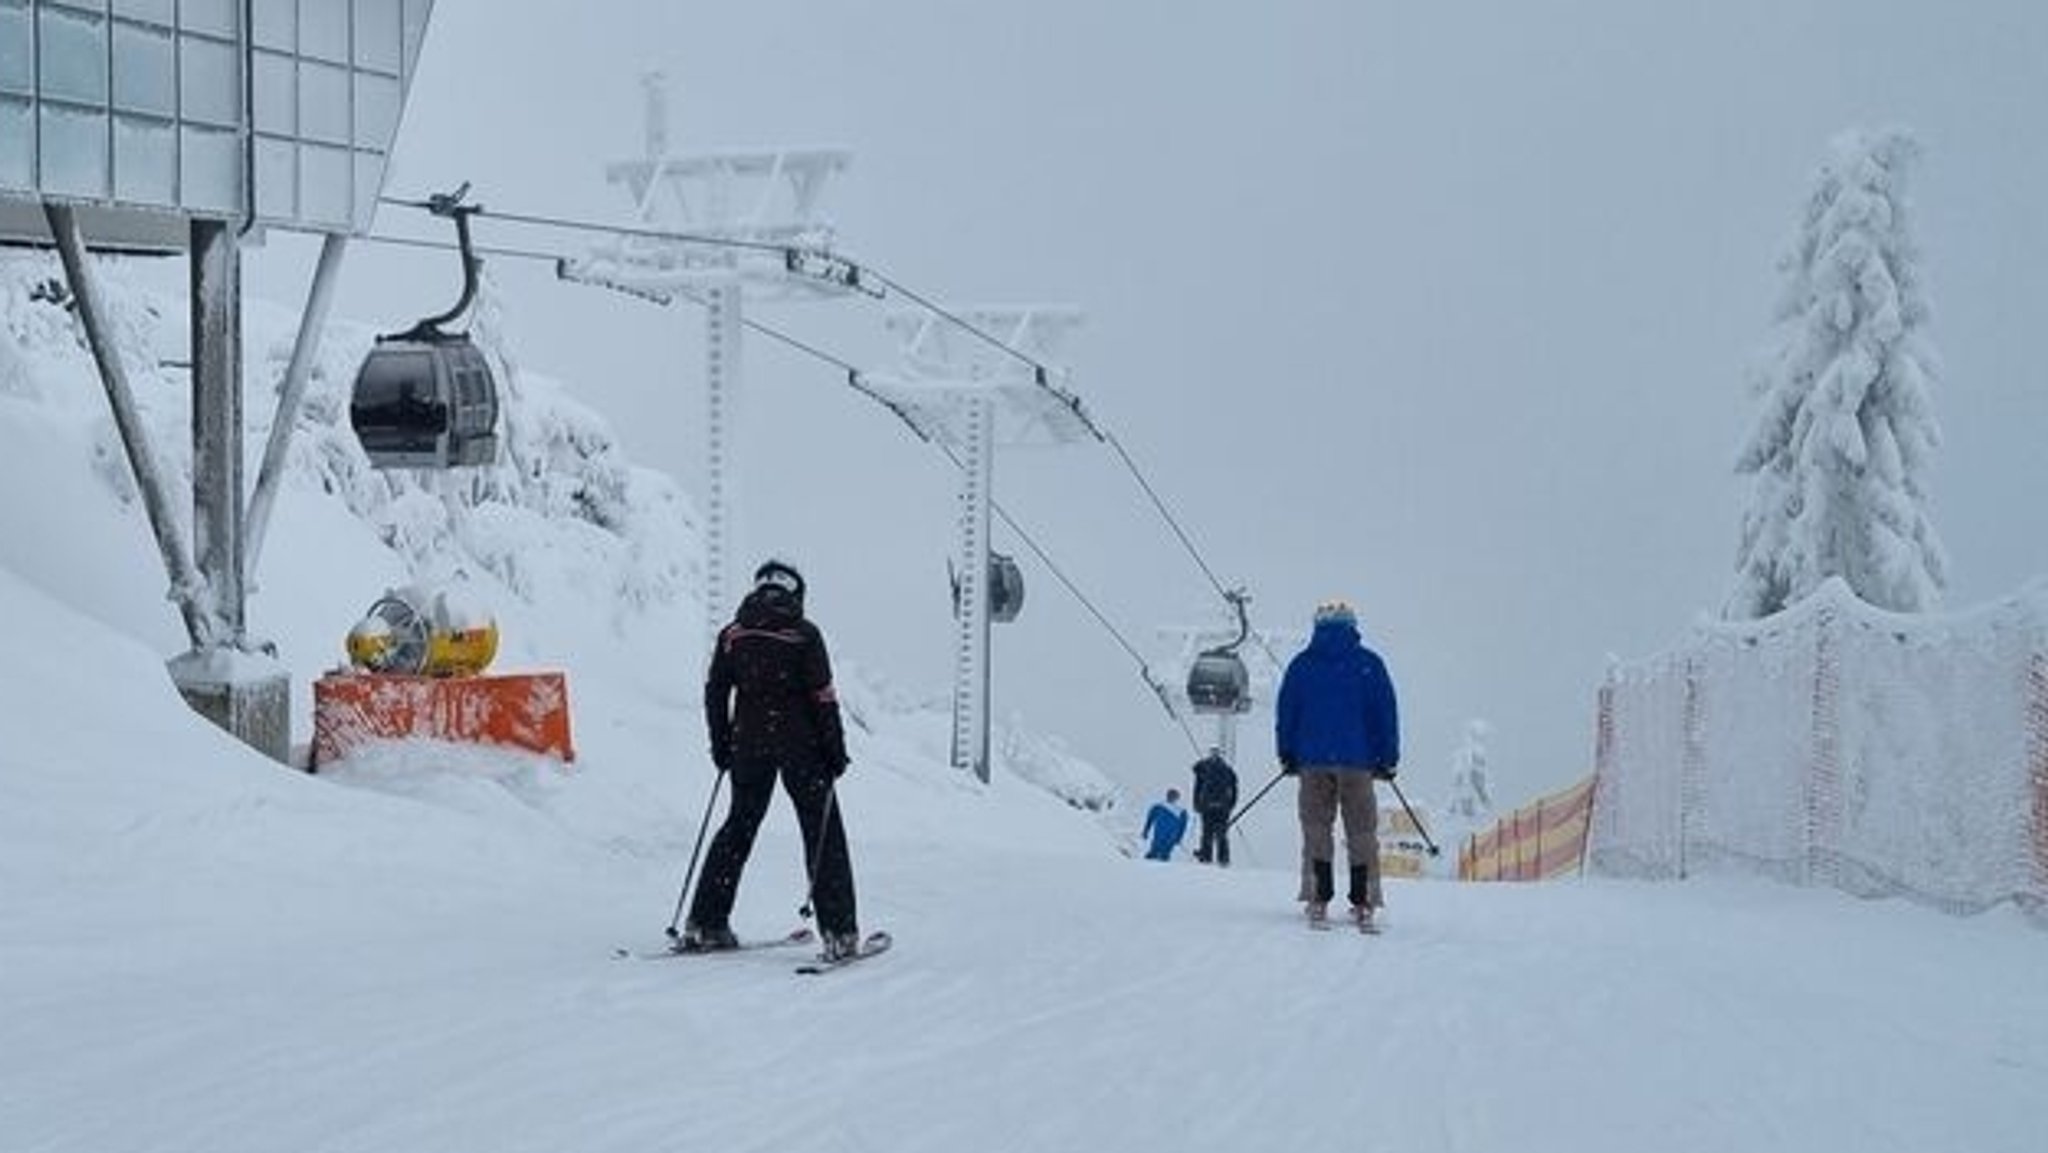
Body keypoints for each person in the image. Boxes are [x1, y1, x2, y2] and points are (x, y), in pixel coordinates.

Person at [682, 559, 860, 960]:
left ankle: (706, 922)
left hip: (749, 746)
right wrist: (835, 752)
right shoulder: (804, 634)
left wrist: (721, 744)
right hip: (803, 749)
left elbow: (715, 692)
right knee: (822, 831)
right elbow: (823, 698)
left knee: (738, 826)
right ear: (796, 593)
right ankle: (839, 932)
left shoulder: (733, 634)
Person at [1274, 599, 1400, 930]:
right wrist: (1387, 758)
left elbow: (1288, 712)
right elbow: (1384, 714)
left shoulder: (1302, 665)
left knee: (1317, 829)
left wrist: (1287, 753)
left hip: (1313, 761)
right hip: (1358, 762)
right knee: (1361, 832)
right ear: (1352, 626)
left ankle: (1318, 899)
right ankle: (1364, 902)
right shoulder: (1369, 664)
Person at [1190, 747, 1239, 866]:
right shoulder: (1228, 770)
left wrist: (1196, 804)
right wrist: (1231, 804)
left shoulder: (1203, 767)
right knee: (1221, 833)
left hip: (1207, 805)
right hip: (1223, 807)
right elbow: (1234, 789)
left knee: (1207, 832)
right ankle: (1223, 858)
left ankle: (1206, 856)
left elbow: (1197, 788)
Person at [1140, 788, 1189, 861]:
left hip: (1162, 836)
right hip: (1168, 837)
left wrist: (1146, 831)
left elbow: (1149, 820)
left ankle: (1154, 858)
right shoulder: (1181, 812)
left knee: (1158, 850)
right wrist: (1179, 838)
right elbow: (1183, 827)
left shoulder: (1159, 807)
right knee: (1161, 851)